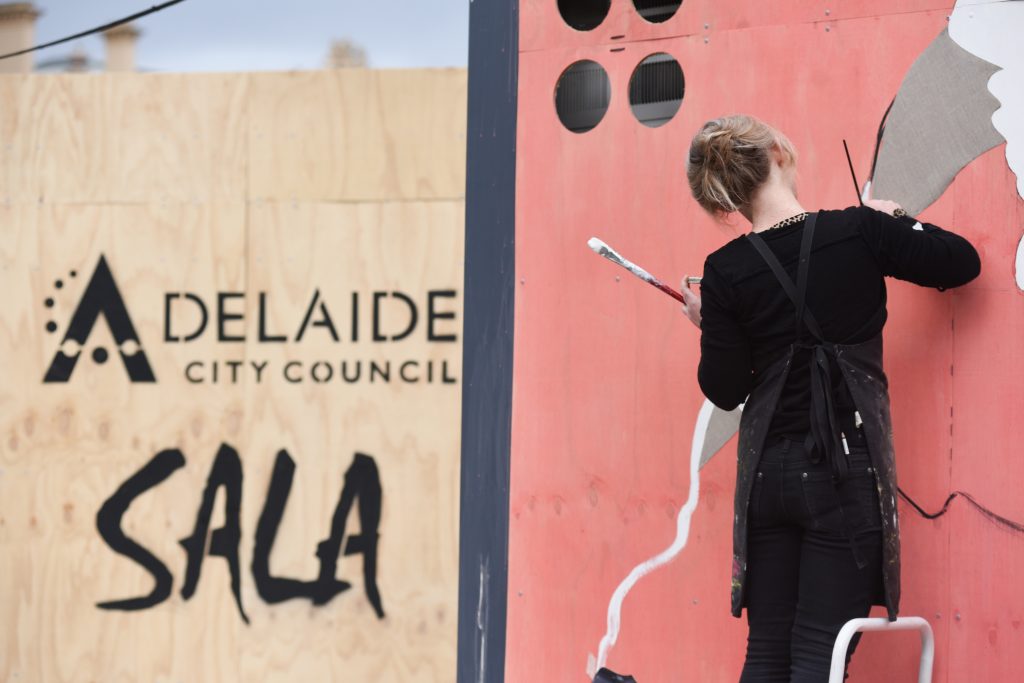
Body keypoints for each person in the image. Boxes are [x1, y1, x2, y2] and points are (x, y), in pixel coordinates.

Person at [677, 114, 980, 682]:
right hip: (842, 474)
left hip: (767, 477)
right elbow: (961, 262)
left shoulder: (724, 272)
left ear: (727, 198)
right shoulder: (860, 231)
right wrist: (898, 219)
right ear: (777, 154)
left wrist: (709, 323)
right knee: (821, 653)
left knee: (766, 653)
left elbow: (724, 388)